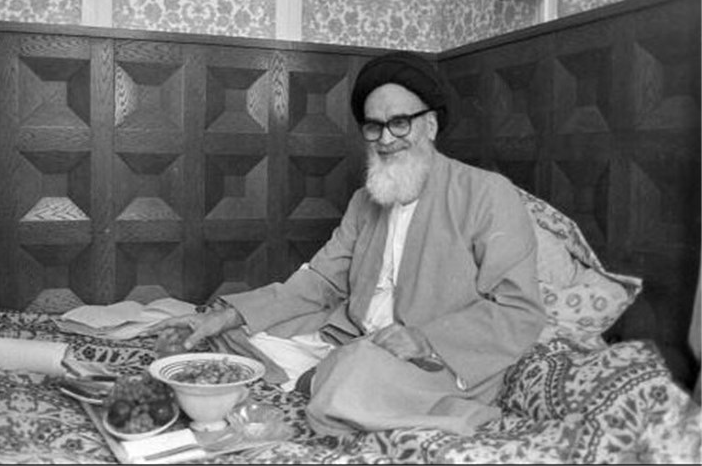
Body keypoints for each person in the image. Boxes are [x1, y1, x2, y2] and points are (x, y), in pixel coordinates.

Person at [148, 50, 546, 437]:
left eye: (400, 123)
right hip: (352, 336)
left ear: (430, 125)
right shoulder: (366, 199)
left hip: (432, 359)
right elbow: (321, 280)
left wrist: (426, 339)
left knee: (352, 373)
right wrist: (228, 316)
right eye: (374, 127)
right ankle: (321, 377)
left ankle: (325, 380)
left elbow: (519, 310)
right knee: (225, 339)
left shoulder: (486, 193)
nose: (386, 139)